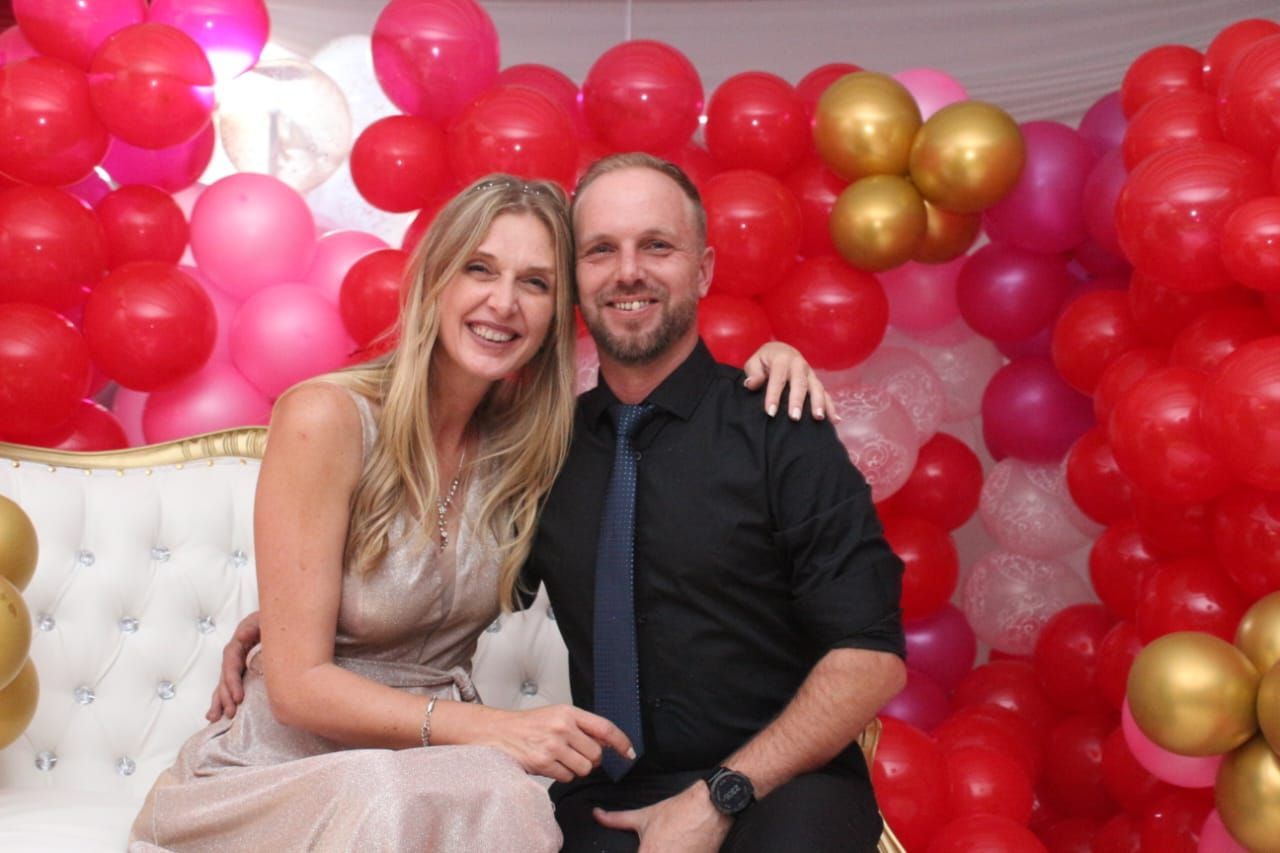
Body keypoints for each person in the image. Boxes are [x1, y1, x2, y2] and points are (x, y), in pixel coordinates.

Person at [135, 173, 828, 852]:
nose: (503, 303)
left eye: (535, 283)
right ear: (436, 278)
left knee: (509, 795)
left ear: (560, 312)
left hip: (433, 765)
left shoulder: (534, 449)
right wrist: (493, 726)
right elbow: (297, 687)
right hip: (287, 767)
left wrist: (768, 364)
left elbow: (670, 522)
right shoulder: (327, 416)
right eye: (480, 269)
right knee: (405, 790)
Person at [525, 153, 907, 853]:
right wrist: (273, 633)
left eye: (657, 245)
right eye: (601, 250)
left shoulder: (781, 426)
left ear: (701, 270)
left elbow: (870, 655)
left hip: (781, 783)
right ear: (576, 278)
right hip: (602, 792)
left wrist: (718, 795)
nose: (628, 271)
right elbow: (443, 580)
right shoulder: (542, 450)